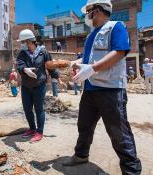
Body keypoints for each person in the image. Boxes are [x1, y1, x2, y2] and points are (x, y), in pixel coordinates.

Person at [62, 1, 142, 174]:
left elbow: (119, 52)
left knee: (119, 133)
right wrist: (74, 63)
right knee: (84, 125)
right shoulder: (92, 34)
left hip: (110, 90)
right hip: (90, 90)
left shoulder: (115, 27)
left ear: (96, 11)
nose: (86, 15)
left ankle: (131, 171)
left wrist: (92, 68)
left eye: (88, 11)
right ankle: (81, 155)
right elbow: (86, 59)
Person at [17, 29, 59, 143]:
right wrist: (24, 69)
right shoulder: (22, 53)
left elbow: (50, 66)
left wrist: (56, 77)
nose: (22, 44)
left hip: (39, 85)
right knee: (27, 109)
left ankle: (39, 132)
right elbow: (19, 64)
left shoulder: (43, 52)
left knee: (39, 109)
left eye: (23, 42)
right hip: (26, 86)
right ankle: (32, 129)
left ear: (30, 41)